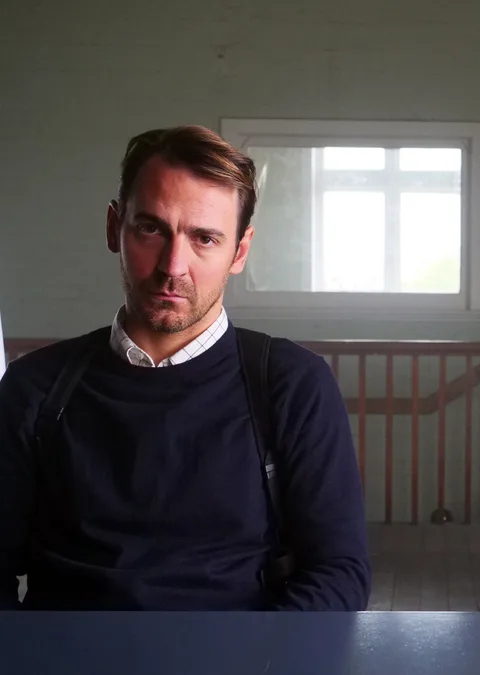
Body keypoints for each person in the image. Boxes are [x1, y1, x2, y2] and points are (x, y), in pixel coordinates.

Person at [0, 125, 371, 610]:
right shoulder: (36, 388)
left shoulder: (292, 384)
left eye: (205, 238)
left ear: (239, 251)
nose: (174, 265)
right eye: (151, 228)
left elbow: (338, 575)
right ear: (115, 228)